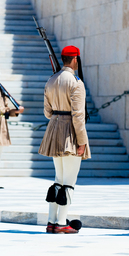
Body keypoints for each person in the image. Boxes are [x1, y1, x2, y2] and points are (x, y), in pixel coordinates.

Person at [39, 45, 91, 234]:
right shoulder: (76, 83)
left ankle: (52, 220)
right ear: (75, 59)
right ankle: (61, 223)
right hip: (70, 131)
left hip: (54, 128)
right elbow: (78, 116)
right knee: (69, 180)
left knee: (58, 178)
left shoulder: (51, 80)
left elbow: (47, 112)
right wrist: (82, 141)